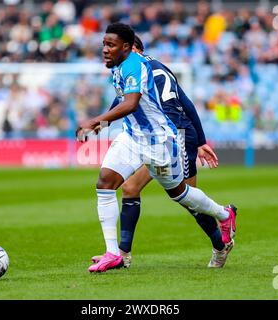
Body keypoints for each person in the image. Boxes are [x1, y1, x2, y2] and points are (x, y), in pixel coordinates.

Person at [76, 23, 237, 273]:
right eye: (104, 44)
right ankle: (114, 253)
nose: (105, 49)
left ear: (130, 48)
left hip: (160, 141)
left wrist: (95, 121)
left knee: (181, 195)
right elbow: (121, 101)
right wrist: (103, 124)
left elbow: (131, 104)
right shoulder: (120, 67)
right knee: (106, 183)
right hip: (132, 136)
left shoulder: (138, 65)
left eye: (111, 45)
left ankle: (224, 215)